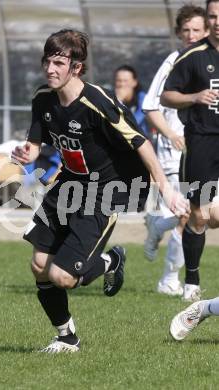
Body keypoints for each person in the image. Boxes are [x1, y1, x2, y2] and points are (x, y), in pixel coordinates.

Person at [12, 29, 189, 353]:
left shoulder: (98, 102)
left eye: (59, 63)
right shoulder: (43, 98)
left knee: (62, 276)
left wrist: (165, 189)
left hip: (104, 192)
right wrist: (27, 152)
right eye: (47, 62)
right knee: (39, 265)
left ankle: (110, 261)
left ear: (76, 67)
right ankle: (67, 338)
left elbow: (141, 142)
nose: (50, 69)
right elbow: (36, 143)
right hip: (67, 185)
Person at [142, 4, 208, 297]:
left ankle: (158, 225)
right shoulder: (175, 59)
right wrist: (171, 134)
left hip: (205, 149)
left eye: (197, 30)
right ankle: (170, 279)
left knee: (200, 215)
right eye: (186, 31)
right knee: (190, 214)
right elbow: (149, 106)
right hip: (175, 153)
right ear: (179, 34)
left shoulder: (211, 60)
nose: (191, 35)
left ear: (207, 30)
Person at [161, 0, 219, 302]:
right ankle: (192, 281)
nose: (218, 21)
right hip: (202, 141)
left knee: (214, 216)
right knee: (199, 216)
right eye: (213, 16)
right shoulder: (192, 56)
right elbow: (167, 96)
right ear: (207, 19)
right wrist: (195, 96)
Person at [114, 65, 150, 137]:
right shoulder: (109, 98)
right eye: (119, 80)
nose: (122, 84)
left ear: (134, 82)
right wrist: (117, 101)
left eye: (125, 81)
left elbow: (134, 123)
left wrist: (119, 102)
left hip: (139, 140)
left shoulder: (143, 99)